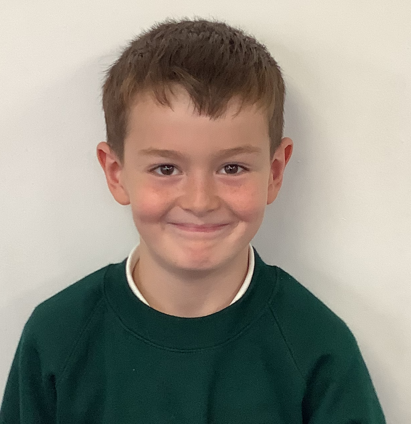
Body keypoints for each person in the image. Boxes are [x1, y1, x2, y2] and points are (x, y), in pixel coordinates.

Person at [0, 17, 385, 423]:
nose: (200, 202)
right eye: (166, 169)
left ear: (274, 172)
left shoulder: (318, 348)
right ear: (116, 173)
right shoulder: (57, 337)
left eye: (232, 168)